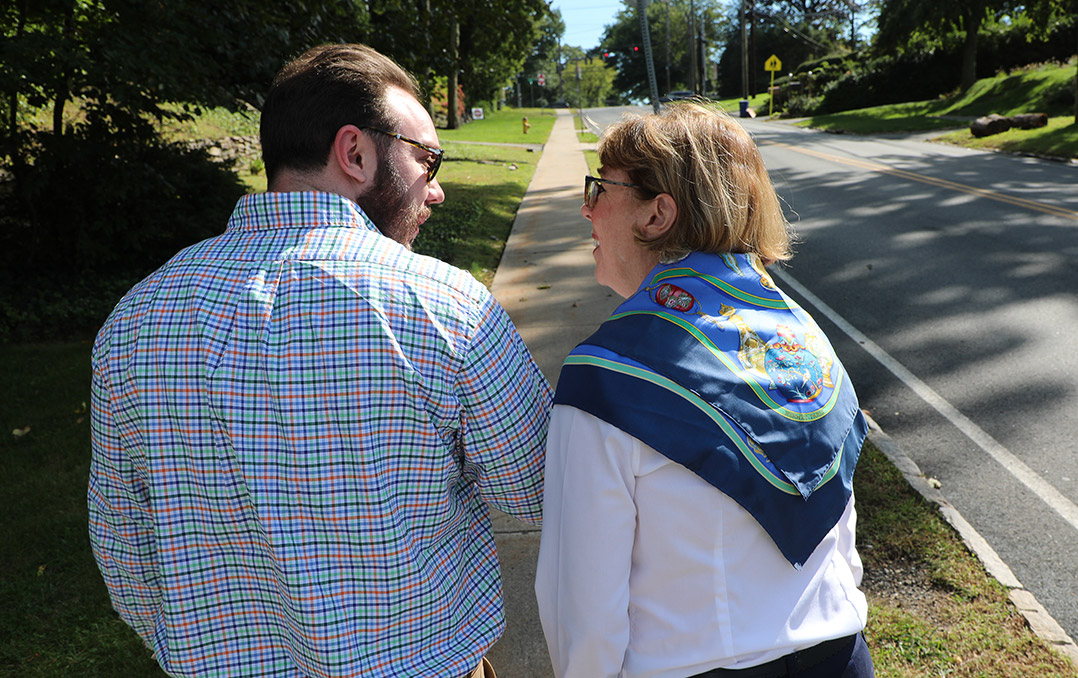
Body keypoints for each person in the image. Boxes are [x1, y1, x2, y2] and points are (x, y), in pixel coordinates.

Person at [88, 43, 552, 678]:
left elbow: (121, 542)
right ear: (355, 152)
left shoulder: (136, 319)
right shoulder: (443, 305)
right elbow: (536, 488)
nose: (436, 189)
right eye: (428, 159)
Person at [535, 102, 874, 678]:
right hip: (843, 654)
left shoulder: (608, 374)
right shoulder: (799, 332)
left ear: (657, 214)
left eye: (600, 188)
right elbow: (839, 530)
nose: (586, 206)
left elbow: (583, 611)